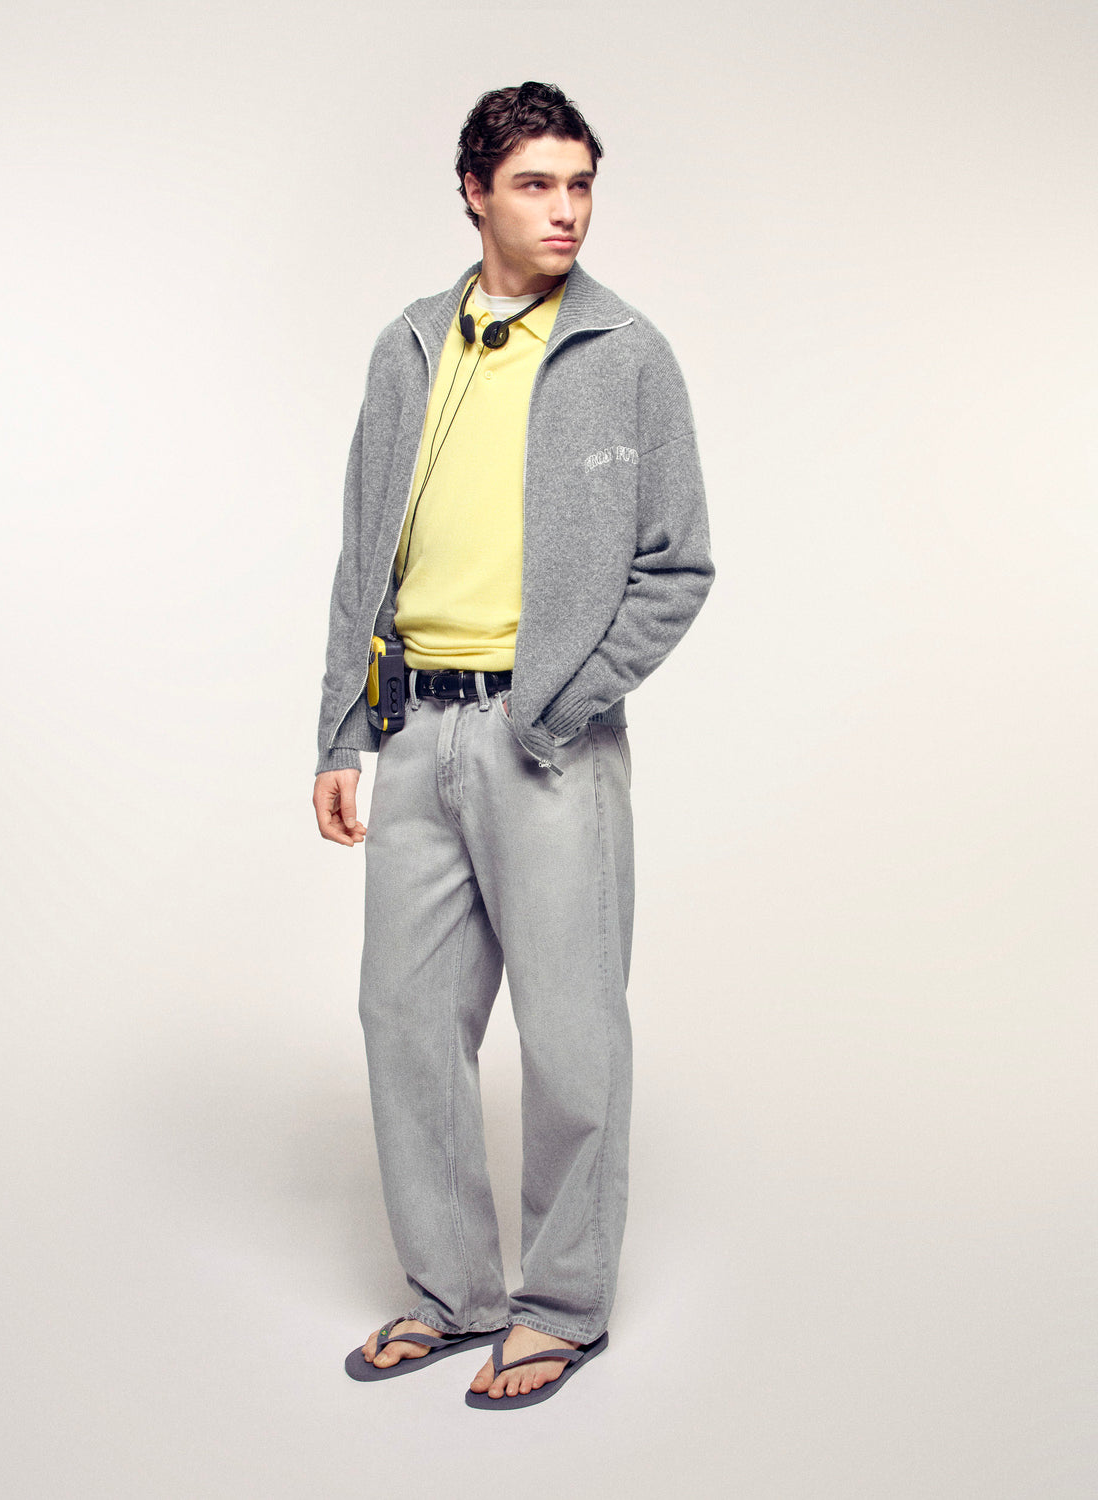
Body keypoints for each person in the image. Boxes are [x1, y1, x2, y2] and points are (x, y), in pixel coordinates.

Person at [313, 81, 714, 1409]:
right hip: (415, 732)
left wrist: (563, 702)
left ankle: (561, 1306)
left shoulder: (628, 353)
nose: (567, 210)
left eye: (581, 183)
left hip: (550, 744)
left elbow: (678, 566)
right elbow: (363, 554)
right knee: (404, 1019)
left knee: (572, 1035)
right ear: (474, 192)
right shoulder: (410, 346)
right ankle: (451, 1293)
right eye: (537, 184)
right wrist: (341, 730)